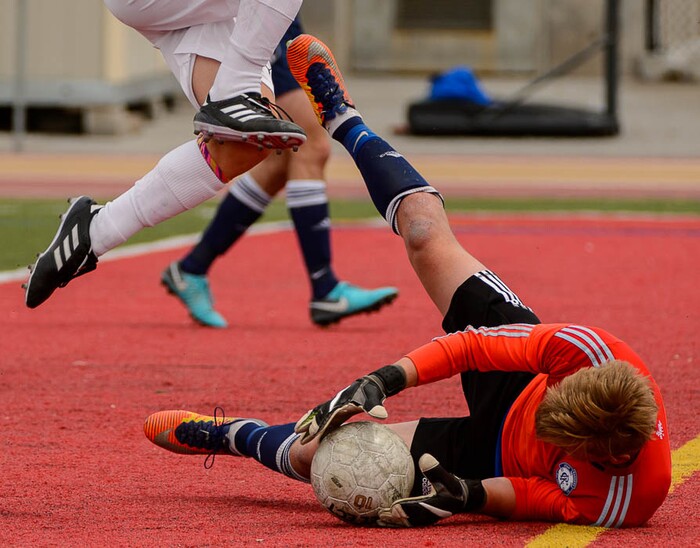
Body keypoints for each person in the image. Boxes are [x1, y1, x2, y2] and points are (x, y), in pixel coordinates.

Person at [143, 35, 672, 528]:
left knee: (320, 456)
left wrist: (465, 496)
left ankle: (230, 435)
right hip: (519, 378)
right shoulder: (590, 352)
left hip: (489, 454)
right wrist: (383, 380)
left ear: (607, 457)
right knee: (424, 234)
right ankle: (345, 118)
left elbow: (531, 495)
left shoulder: (628, 499)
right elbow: (471, 346)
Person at [24, 0, 307, 309]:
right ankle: (234, 91)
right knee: (242, 114)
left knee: (245, 146)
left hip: (209, 15)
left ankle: (95, 231)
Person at [161, 17, 398, 328]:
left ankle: (192, 268)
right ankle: (325, 287)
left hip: (274, 17)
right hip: (263, 16)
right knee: (312, 143)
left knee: (281, 160)